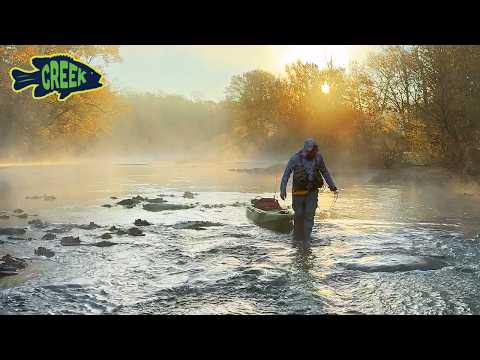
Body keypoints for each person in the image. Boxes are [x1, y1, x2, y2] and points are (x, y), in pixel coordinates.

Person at [280, 138, 337, 240]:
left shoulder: (318, 158)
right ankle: (297, 237)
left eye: (315, 150)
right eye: (311, 151)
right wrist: (282, 190)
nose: (313, 153)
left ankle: (307, 238)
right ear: (306, 150)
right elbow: (286, 174)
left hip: (312, 191)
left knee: (309, 214)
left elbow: (325, 172)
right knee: (299, 214)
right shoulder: (295, 159)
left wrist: (332, 185)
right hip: (298, 192)